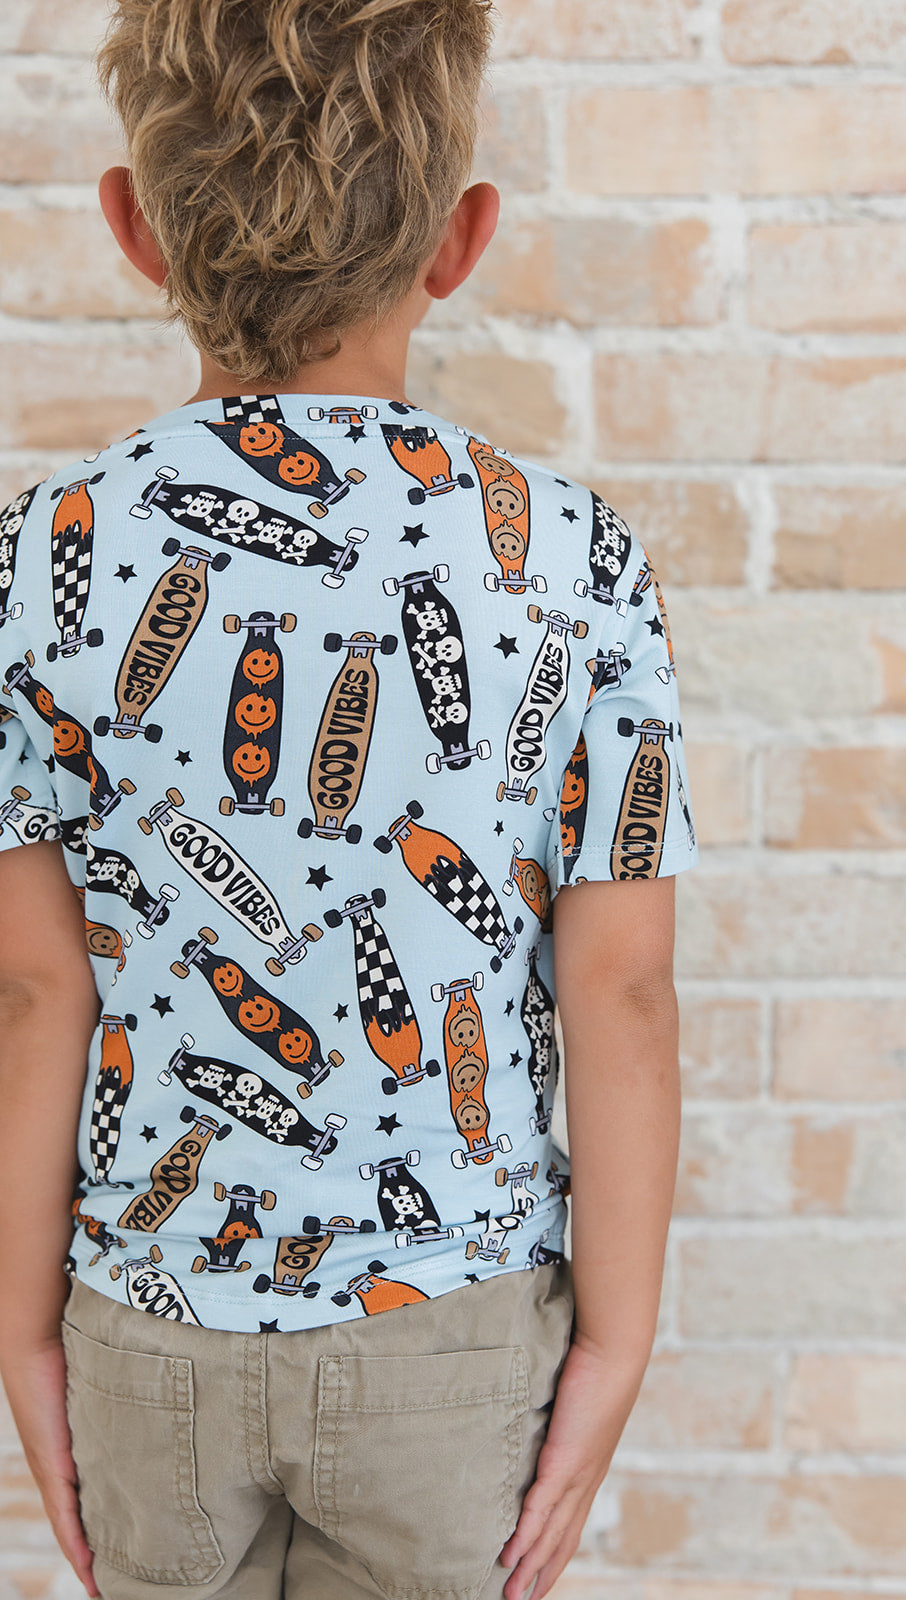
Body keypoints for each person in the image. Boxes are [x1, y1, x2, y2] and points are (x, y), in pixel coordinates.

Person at [0, 2, 699, 1597]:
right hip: (449, 1329)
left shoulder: (39, 561)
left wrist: (23, 1327)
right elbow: (624, 988)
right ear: (460, 239)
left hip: (150, 1326)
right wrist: (617, 1337)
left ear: (131, 224)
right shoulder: (574, 561)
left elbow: (35, 991)